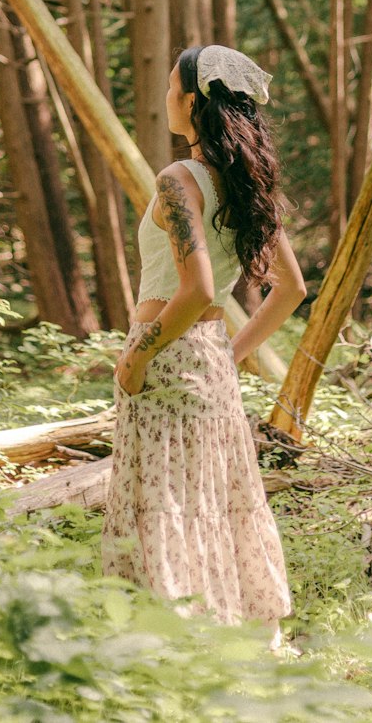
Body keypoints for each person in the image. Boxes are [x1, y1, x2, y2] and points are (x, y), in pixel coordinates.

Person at [100, 43, 307, 651]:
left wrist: (139, 355)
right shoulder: (244, 182)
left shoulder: (178, 180)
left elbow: (197, 288)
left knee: (164, 498)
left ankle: (172, 643)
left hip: (167, 357)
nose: (167, 97)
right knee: (212, 496)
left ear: (191, 101)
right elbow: (290, 289)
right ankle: (233, 638)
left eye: (171, 88)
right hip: (209, 358)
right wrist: (230, 353)